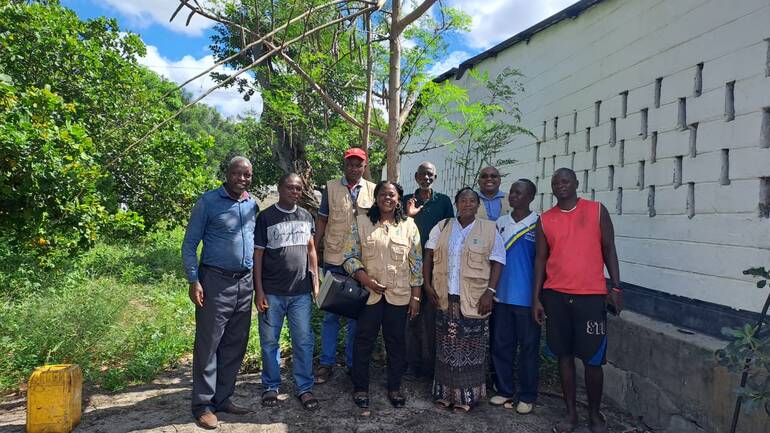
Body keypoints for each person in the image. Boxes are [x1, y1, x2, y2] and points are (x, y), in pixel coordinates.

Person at [532, 168, 623, 433]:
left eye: (565, 181)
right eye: (555, 182)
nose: (560, 185)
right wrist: (536, 298)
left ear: (575, 183)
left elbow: (609, 249)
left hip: (591, 297)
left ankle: (595, 415)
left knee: (593, 360)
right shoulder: (545, 219)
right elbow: (540, 260)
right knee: (564, 356)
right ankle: (570, 414)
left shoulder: (596, 211)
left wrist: (616, 287)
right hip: (556, 296)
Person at [182, 156, 258, 430]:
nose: (242, 179)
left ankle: (223, 398)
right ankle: (202, 405)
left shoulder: (252, 203)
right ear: (227, 174)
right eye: (237, 173)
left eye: (247, 175)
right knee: (209, 344)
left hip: (244, 284)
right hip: (214, 282)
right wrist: (194, 280)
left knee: (235, 343)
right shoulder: (208, 202)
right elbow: (189, 244)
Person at [423, 187, 506, 414]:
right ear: (456, 203)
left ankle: (467, 396)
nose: (467, 204)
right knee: (446, 347)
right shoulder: (443, 227)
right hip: (445, 297)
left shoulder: (489, 229)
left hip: (474, 298)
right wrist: (427, 285)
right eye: (463, 200)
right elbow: (428, 254)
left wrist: (490, 291)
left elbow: (498, 260)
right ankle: (445, 393)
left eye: (472, 201)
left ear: (478, 205)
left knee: (471, 348)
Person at [342, 181, 422, 410]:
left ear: (399, 199)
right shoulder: (361, 222)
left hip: (399, 296)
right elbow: (349, 256)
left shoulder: (409, 226)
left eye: (392, 195)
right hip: (369, 295)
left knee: (396, 343)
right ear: (376, 198)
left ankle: (394, 388)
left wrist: (416, 298)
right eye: (383, 194)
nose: (388, 198)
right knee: (363, 341)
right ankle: (360, 387)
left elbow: (416, 264)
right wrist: (365, 279)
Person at [253, 173, 320, 411]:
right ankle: (271, 385)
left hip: (300, 292)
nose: (294, 192)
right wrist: (258, 290)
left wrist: (315, 279)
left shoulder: (306, 216)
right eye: (290, 188)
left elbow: (311, 249)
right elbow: (258, 255)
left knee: (303, 341)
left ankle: (304, 387)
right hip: (272, 292)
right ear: (280, 188)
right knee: (270, 342)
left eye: (298, 188)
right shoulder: (266, 217)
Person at [314, 148, 376, 384]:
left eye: (358, 165)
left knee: (356, 315)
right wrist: (315, 254)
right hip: (334, 259)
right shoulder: (330, 188)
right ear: (344, 165)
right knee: (330, 315)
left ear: (364, 166)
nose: (354, 168)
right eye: (350, 164)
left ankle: (353, 363)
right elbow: (322, 221)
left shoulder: (372, 190)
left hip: (361, 262)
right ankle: (327, 363)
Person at [489, 179, 540, 414]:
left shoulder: (538, 224)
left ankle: (528, 395)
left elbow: (544, 263)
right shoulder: (500, 223)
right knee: (501, 345)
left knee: (528, 348)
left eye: (519, 193)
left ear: (531, 197)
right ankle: (504, 390)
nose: (513, 196)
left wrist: (540, 298)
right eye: (512, 192)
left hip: (527, 300)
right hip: (501, 297)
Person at [402, 161, 454, 379]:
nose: (426, 178)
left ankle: (431, 367)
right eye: (423, 174)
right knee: (410, 317)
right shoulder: (406, 201)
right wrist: (409, 215)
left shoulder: (443, 201)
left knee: (433, 320)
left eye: (430, 175)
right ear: (416, 176)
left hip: (435, 268)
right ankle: (410, 366)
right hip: (408, 268)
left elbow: (451, 230)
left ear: (435, 177)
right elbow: (396, 226)